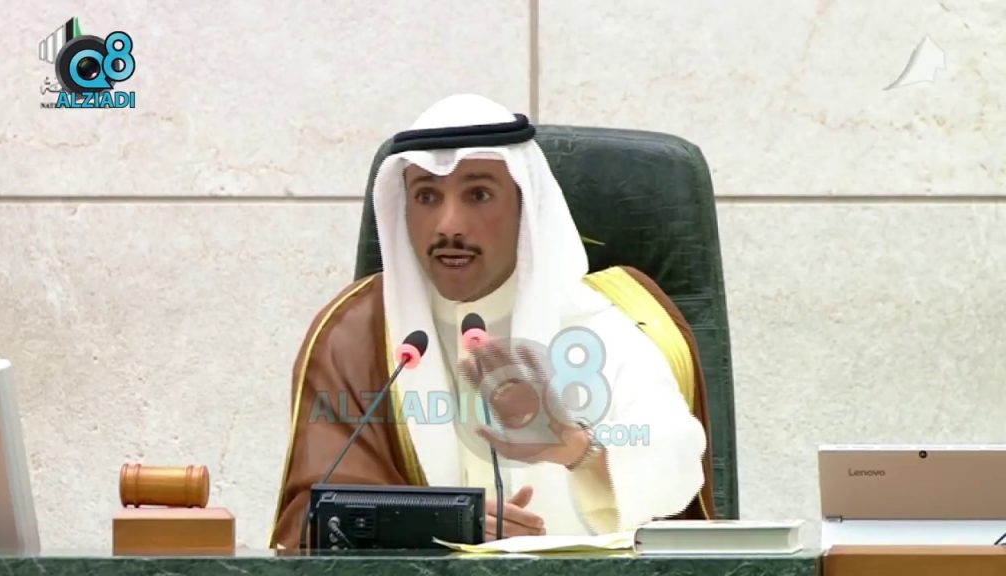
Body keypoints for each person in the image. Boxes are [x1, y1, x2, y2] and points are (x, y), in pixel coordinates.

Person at [269, 94, 715, 550]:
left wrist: (578, 449)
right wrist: (440, 523)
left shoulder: (607, 319)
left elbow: (677, 461)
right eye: (426, 196)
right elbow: (311, 520)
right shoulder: (355, 333)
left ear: (525, 205)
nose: (449, 225)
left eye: (478, 195)